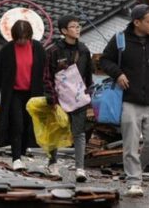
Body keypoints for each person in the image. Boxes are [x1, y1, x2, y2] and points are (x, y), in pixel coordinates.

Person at [99, 4, 149, 197]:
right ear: (137, 22)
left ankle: (137, 169)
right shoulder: (120, 39)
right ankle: (134, 181)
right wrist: (117, 74)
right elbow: (104, 60)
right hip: (130, 101)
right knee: (130, 143)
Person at [0, 19, 47, 171]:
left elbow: (46, 72)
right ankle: (16, 158)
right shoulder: (7, 50)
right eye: (19, 38)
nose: (21, 41)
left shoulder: (38, 48)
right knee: (17, 124)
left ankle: (23, 151)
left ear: (30, 36)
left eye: (24, 38)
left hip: (33, 93)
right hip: (14, 93)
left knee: (28, 124)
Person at [43, 14, 94, 182]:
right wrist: (51, 97)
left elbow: (88, 76)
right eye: (73, 26)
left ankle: (80, 168)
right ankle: (52, 164)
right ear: (64, 31)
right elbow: (46, 76)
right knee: (56, 131)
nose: (77, 28)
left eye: (78, 26)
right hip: (58, 99)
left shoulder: (84, 50)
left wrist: (89, 94)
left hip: (78, 98)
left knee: (79, 133)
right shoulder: (53, 51)